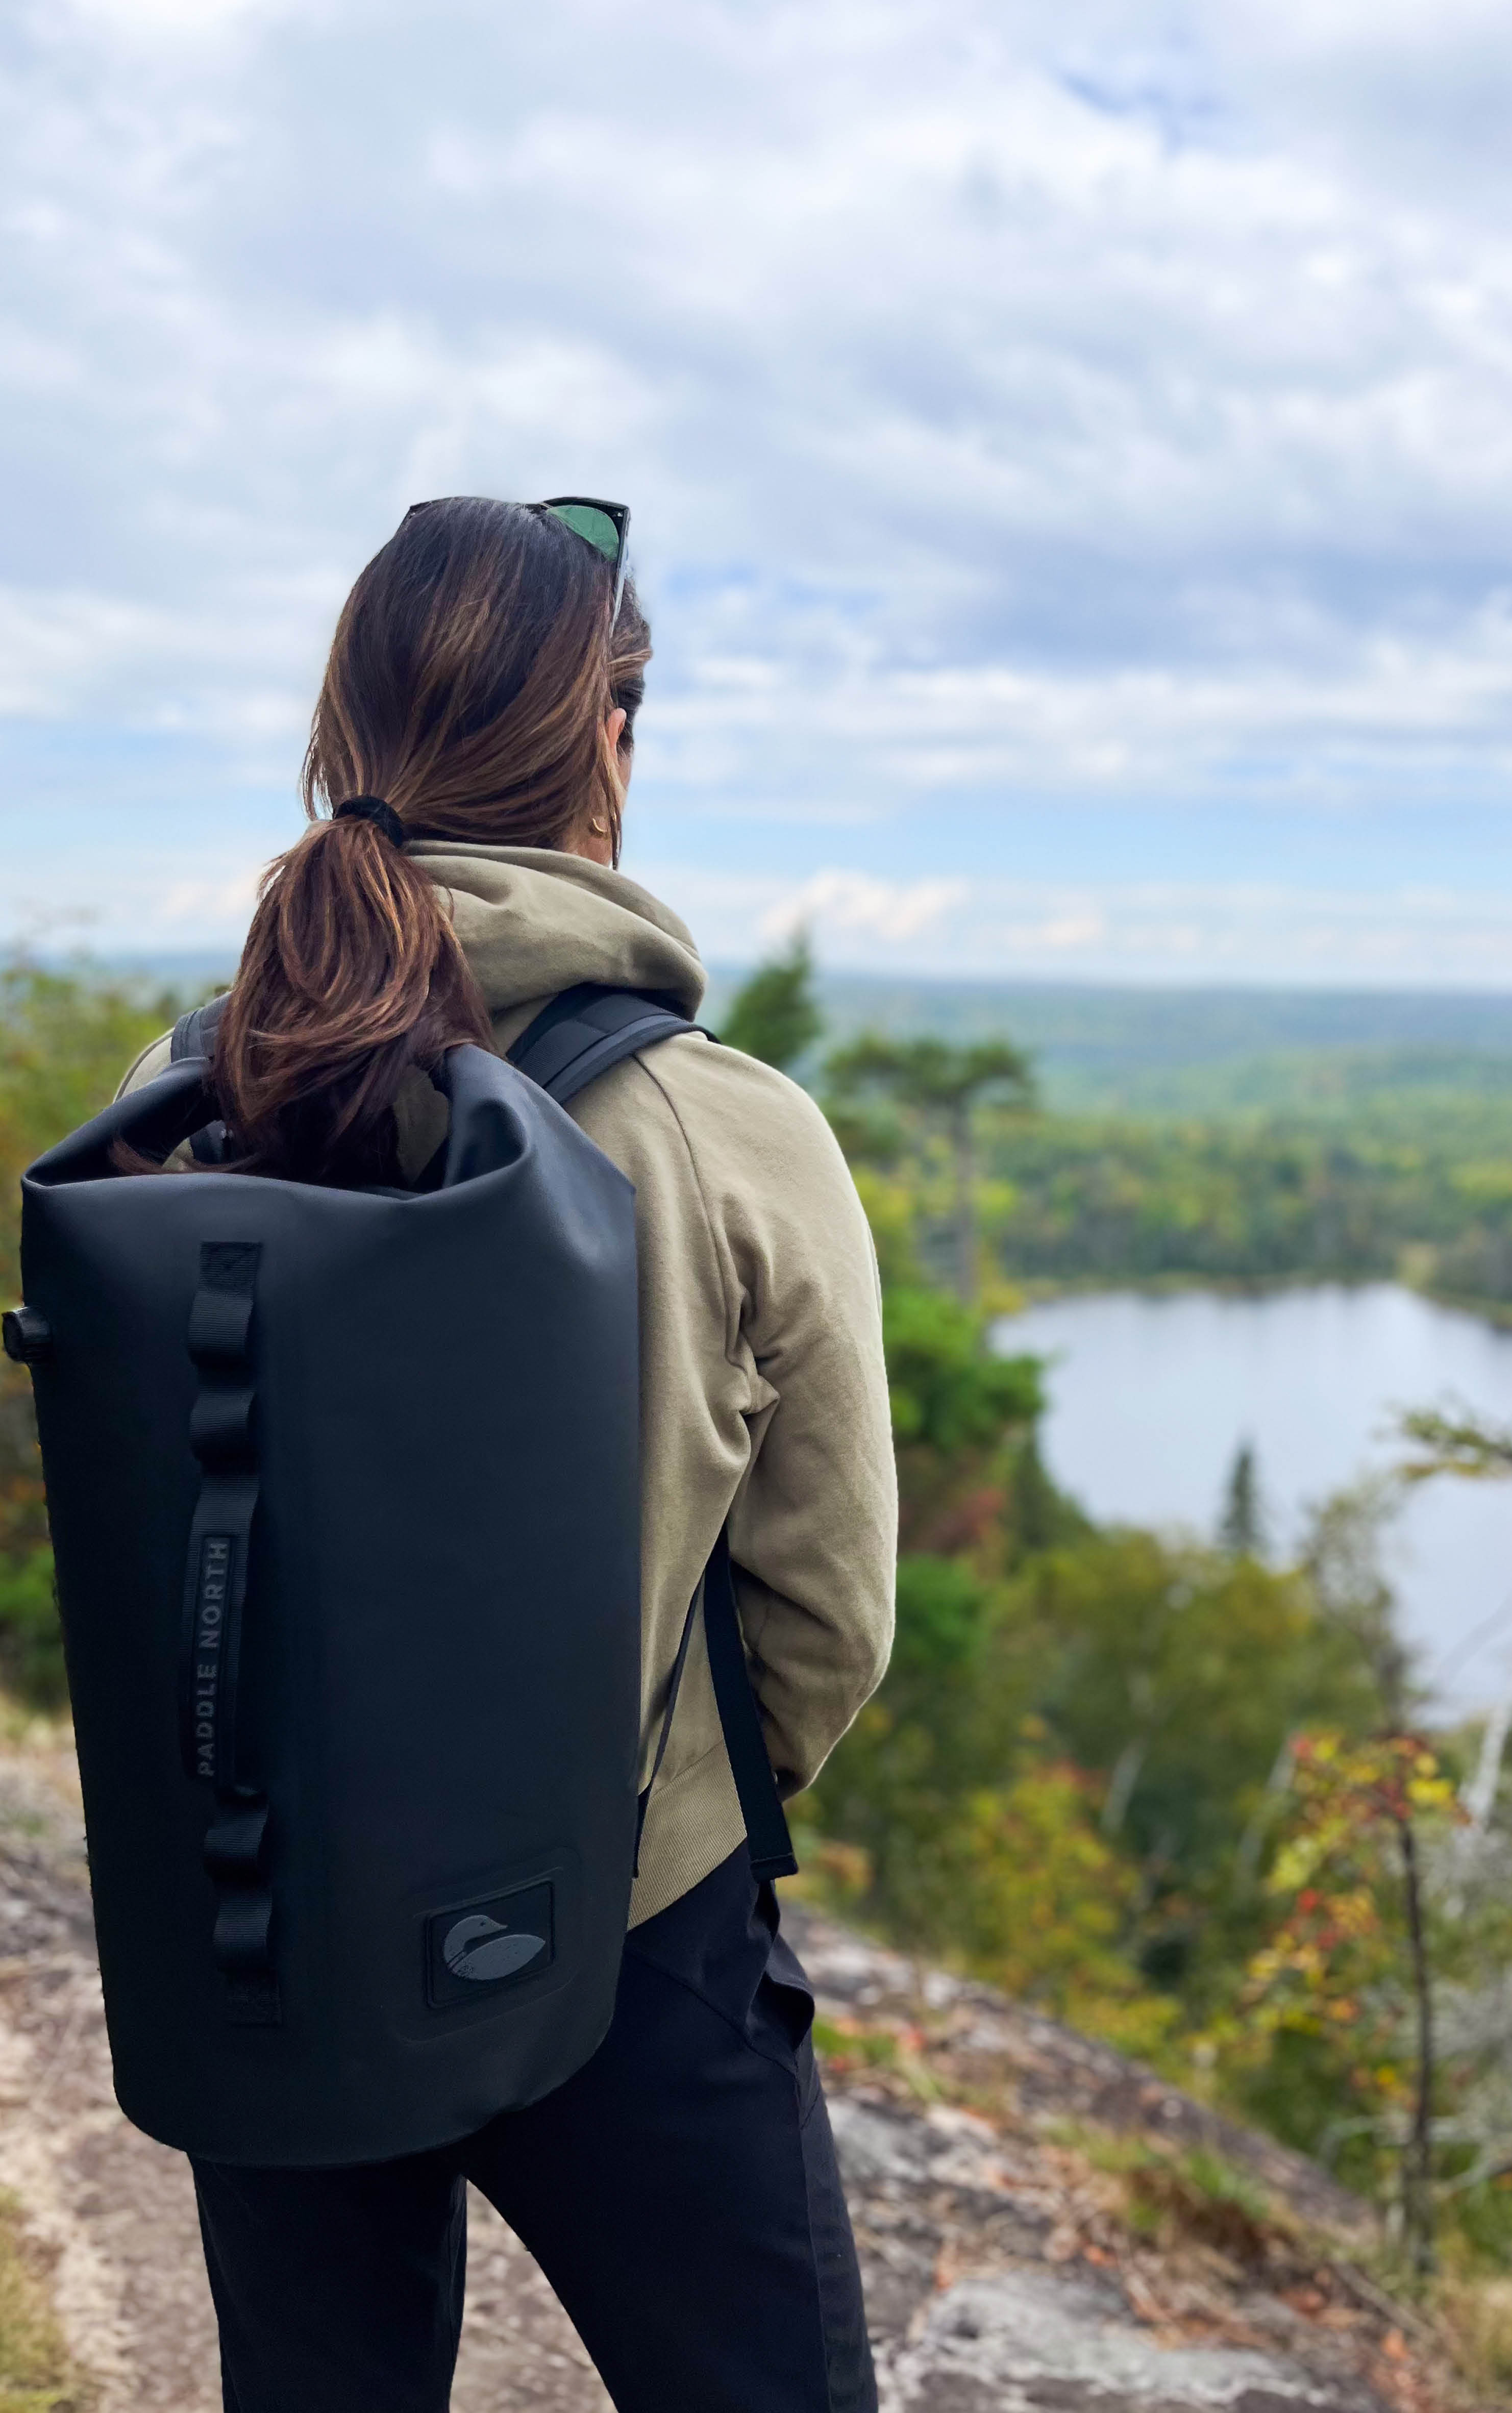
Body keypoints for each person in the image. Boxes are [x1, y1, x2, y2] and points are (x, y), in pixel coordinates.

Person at [117, 494, 898, 2413]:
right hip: (635, 1942)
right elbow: (829, 1613)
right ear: (609, 742)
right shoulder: (724, 1129)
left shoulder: (186, 1089)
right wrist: (668, 1810)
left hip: (271, 1925)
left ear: (342, 737)